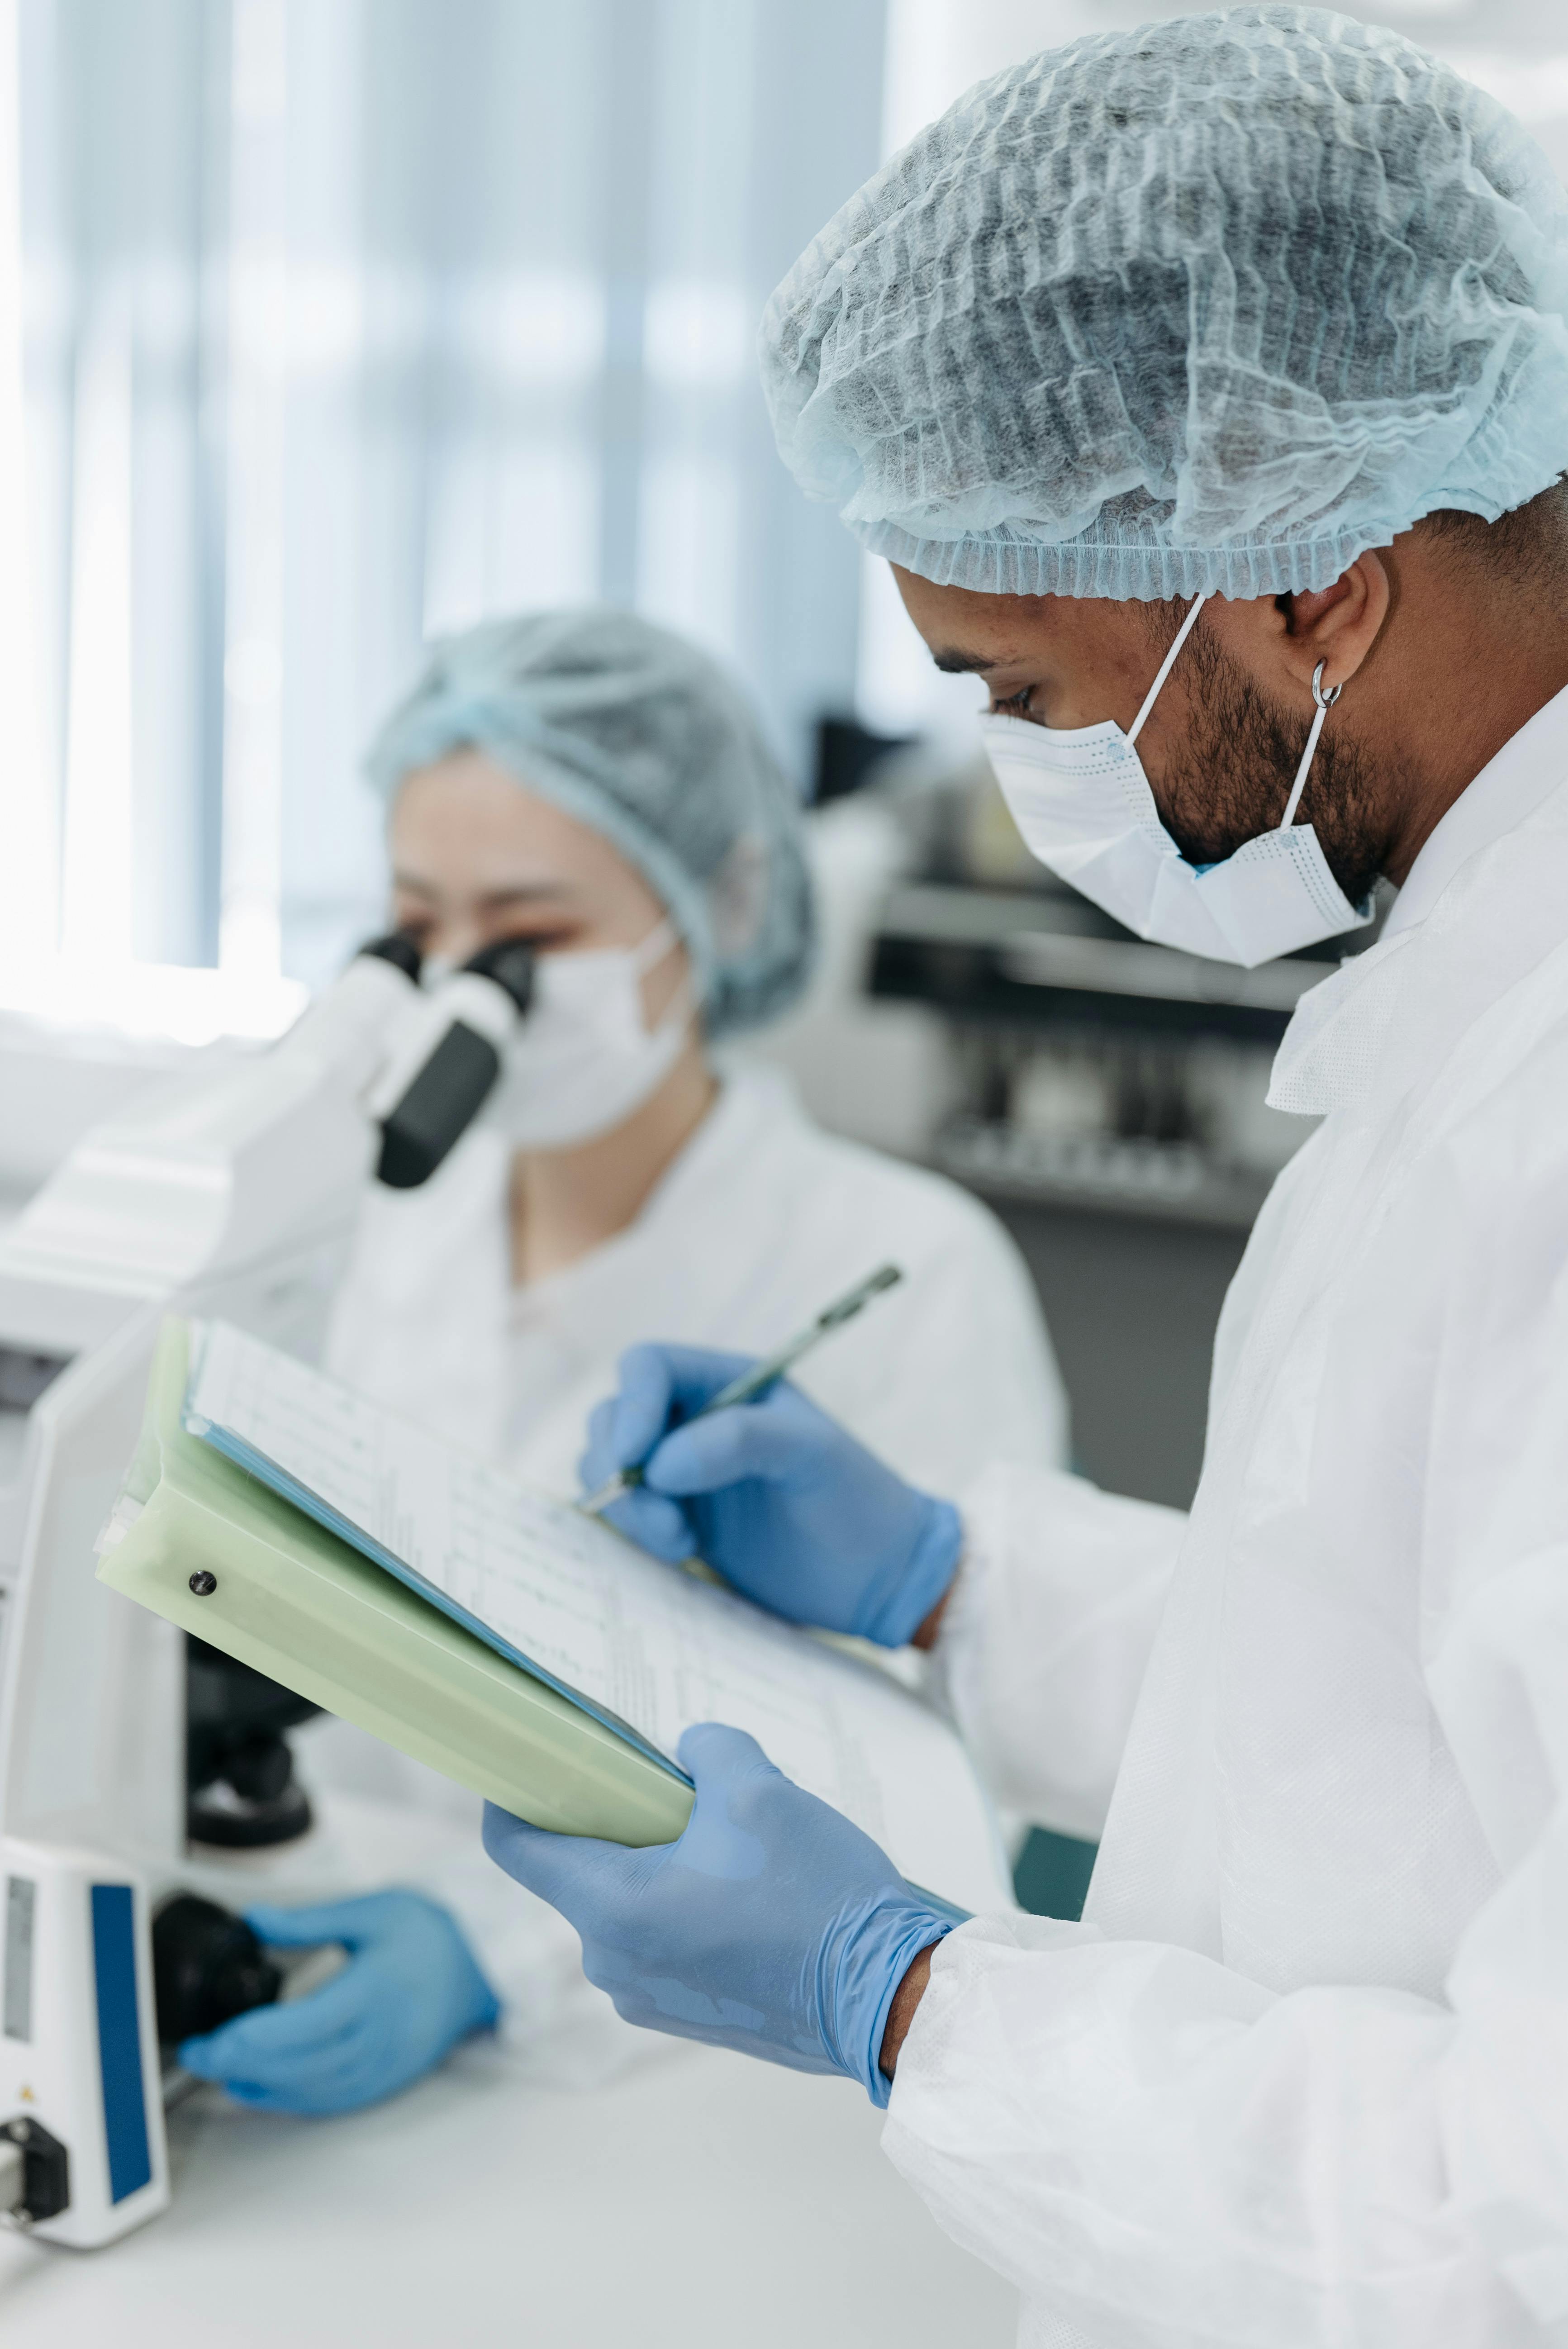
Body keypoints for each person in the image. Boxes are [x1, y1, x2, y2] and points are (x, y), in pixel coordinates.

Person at [483, 15, 1568, 2344]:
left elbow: (1517, 2220)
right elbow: (1387, 1706)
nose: (1021, 777)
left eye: (1029, 695)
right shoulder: (1483, 981)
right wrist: (964, 1580)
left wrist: (909, 2001)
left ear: (1315, 588)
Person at [175, 606, 1069, 2116]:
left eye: (530, 939)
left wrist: (489, 1958)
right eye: (418, 929)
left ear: (720, 899)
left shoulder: (906, 1268)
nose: (469, 984)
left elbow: (922, 1791)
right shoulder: (369, 1228)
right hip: (323, 1955)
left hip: (705, 2071)